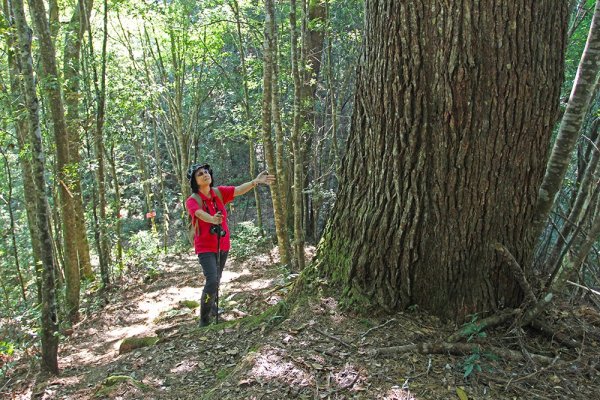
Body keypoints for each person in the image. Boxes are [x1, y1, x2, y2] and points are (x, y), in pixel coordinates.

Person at [185, 163, 275, 327]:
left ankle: (212, 306)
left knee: (216, 279)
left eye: (206, 172)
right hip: (205, 247)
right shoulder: (192, 200)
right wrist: (212, 219)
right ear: (194, 181)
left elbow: (239, 189)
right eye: (200, 174)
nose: (205, 175)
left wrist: (256, 181)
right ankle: (204, 319)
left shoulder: (218, 193)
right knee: (212, 280)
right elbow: (198, 213)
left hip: (222, 244)